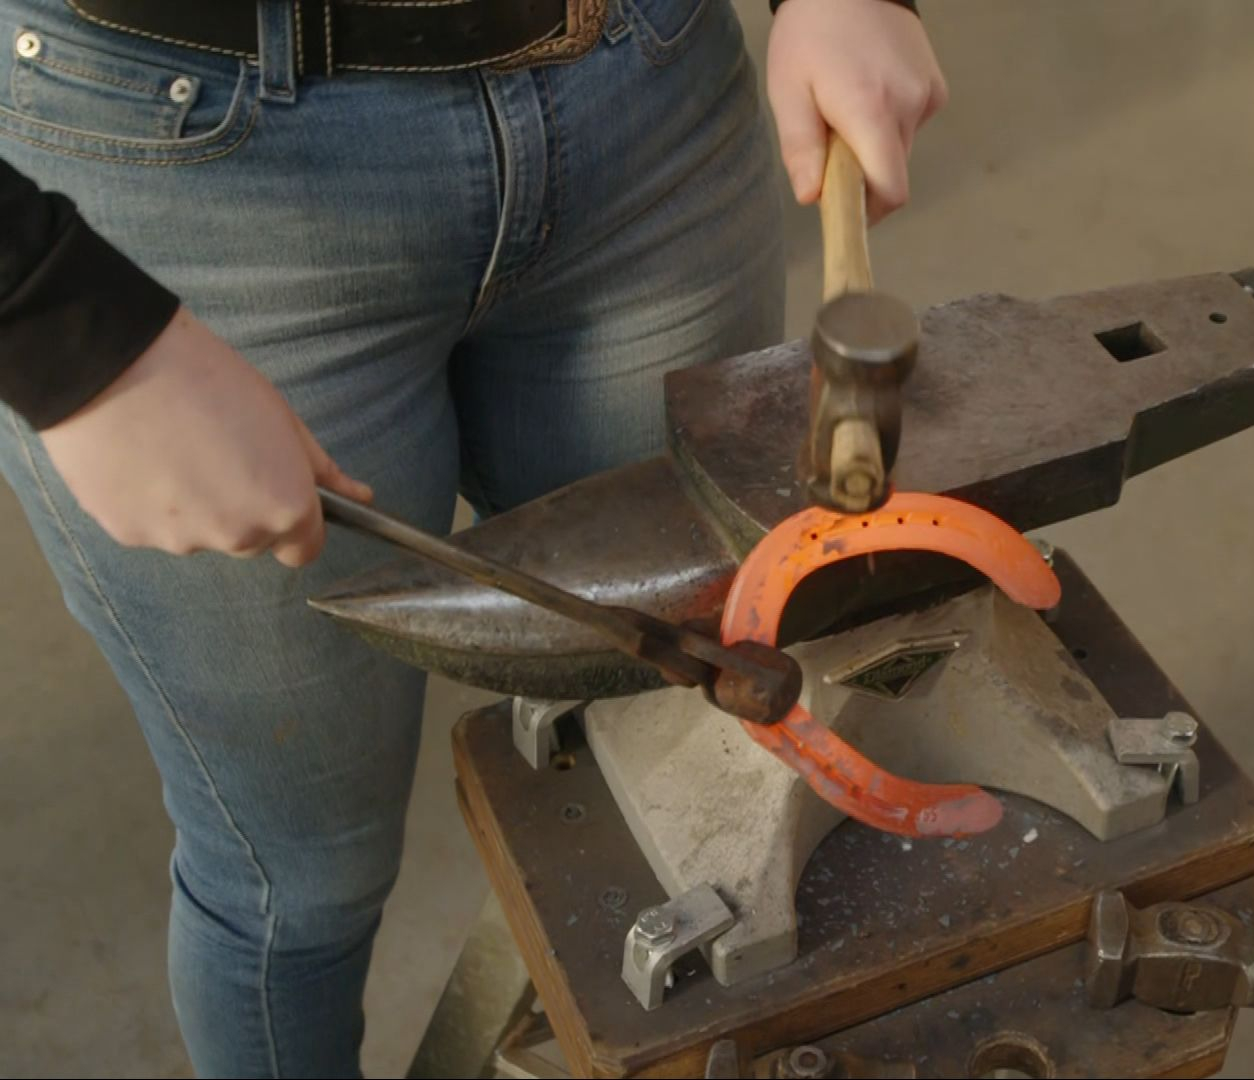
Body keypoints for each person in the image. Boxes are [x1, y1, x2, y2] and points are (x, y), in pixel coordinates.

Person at [0, 0, 946, 1074]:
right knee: (294, 891)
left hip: (644, 95)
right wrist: (62, 330)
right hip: (195, 173)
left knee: (673, 772)